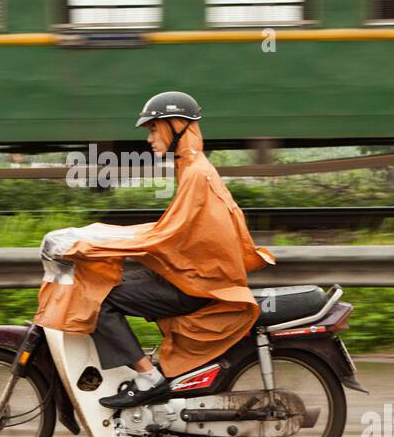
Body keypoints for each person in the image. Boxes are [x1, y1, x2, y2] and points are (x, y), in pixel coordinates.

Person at [33, 91, 274, 409]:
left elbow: (163, 236)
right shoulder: (191, 168)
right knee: (107, 282)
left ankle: (148, 379)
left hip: (194, 284)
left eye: (152, 129)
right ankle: (141, 368)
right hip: (190, 277)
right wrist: (93, 237)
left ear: (175, 126)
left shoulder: (197, 175)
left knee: (98, 297)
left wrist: (87, 243)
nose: (149, 138)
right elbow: (169, 232)